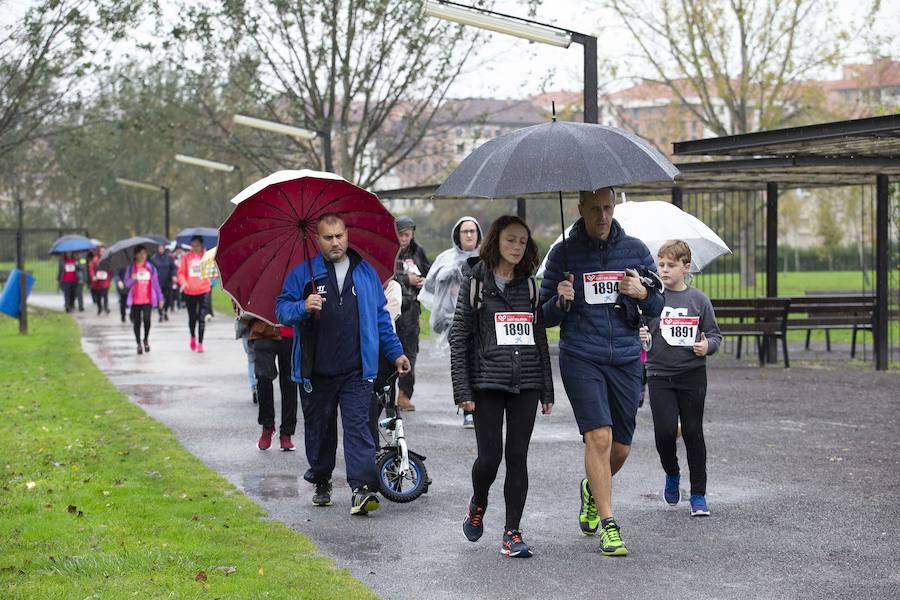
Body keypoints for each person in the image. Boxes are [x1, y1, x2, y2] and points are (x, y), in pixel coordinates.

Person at [540, 187, 664, 557]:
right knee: (599, 437)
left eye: (608, 207)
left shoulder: (637, 251)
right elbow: (543, 315)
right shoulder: (563, 254)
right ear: (580, 209)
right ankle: (610, 525)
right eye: (595, 209)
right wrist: (561, 300)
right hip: (582, 356)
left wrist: (642, 293)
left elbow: (658, 303)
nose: (602, 215)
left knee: (621, 449)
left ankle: (591, 490)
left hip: (626, 358)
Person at [275, 213, 411, 516]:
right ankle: (321, 479)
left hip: (356, 371)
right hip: (316, 372)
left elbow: (380, 318)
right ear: (317, 239)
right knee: (319, 432)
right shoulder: (303, 274)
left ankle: (362, 489)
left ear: (347, 235)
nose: (335, 242)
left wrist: (396, 352)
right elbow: (281, 310)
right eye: (328, 237)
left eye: (339, 236)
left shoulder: (365, 273)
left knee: (359, 428)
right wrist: (302, 306)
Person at [450, 216, 554, 559]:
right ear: (495, 241)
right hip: (486, 383)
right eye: (511, 240)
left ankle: (512, 532)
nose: (516, 247)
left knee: (518, 456)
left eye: (523, 242)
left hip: (526, 381)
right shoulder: (475, 283)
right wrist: (463, 391)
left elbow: (538, 338)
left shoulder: (530, 287)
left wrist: (547, 389)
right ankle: (479, 502)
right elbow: (460, 338)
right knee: (490, 458)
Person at [639, 240, 721, 517]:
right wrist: (641, 336)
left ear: (686, 267)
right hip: (659, 374)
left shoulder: (699, 301)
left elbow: (715, 335)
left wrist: (707, 346)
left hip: (692, 375)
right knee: (664, 432)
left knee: (693, 432)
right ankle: (672, 473)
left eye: (670, 265)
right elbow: (641, 332)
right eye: (660, 264)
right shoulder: (652, 299)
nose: (663, 270)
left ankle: (698, 494)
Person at [419, 216, 483, 428]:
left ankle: (482, 407)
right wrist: (449, 283)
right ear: (457, 234)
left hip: (483, 320)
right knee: (463, 364)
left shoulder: (487, 257)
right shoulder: (445, 258)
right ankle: (467, 409)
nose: (469, 235)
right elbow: (429, 286)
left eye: (472, 231)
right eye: (465, 231)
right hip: (454, 321)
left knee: (482, 364)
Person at [393, 216, 431, 411]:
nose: (405, 238)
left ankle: (405, 394)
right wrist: (405, 279)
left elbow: (430, 272)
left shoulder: (418, 251)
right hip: (393, 310)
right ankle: (387, 392)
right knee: (391, 352)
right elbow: (386, 276)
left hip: (413, 311)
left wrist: (425, 280)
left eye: (408, 234)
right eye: (401, 234)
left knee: (411, 354)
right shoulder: (390, 251)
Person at [248, 317, 298, 452]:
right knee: (263, 378)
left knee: (289, 382)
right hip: (263, 330)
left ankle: (287, 432)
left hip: (289, 329)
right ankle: (267, 425)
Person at [124, 246, 164, 354]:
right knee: (137, 322)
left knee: (147, 320)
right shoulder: (131, 268)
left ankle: (145, 339)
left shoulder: (150, 267)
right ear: (135, 254)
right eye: (140, 253)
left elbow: (156, 284)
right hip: (135, 300)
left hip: (148, 299)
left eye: (144, 253)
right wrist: (133, 279)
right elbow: (126, 284)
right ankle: (138, 344)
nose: (143, 255)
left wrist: (160, 298)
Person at [177, 236, 213, 352]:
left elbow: (213, 271)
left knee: (202, 317)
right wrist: (183, 282)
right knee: (192, 317)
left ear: (201, 245)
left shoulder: (207, 257)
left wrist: (211, 281)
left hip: (204, 290)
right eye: (193, 245)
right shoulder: (186, 258)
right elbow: (181, 273)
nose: (195, 247)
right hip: (190, 291)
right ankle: (193, 336)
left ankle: (200, 343)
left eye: (197, 245)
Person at [150, 244, 177, 322]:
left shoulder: (169, 258)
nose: (161, 249)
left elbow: (173, 268)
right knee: (160, 298)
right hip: (158, 282)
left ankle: (165, 311)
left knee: (167, 298)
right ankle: (160, 313)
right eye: (160, 248)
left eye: (162, 248)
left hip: (167, 281)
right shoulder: (153, 258)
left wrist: (173, 275)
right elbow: (151, 270)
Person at [88, 246, 111, 316]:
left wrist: (109, 276)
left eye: (104, 251)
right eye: (101, 251)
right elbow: (91, 268)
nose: (102, 252)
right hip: (97, 282)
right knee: (98, 296)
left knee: (105, 295)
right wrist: (93, 276)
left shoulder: (107, 260)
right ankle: (99, 308)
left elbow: (111, 269)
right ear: (98, 252)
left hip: (105, 281)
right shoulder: (95, 260)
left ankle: (106, 308)